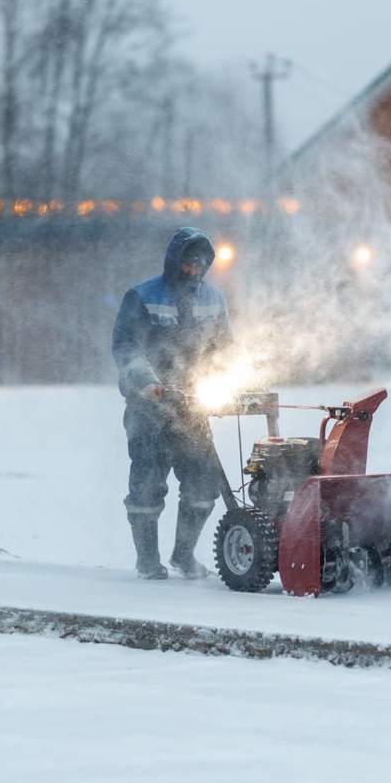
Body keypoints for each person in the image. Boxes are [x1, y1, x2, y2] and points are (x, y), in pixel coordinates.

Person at [111, 226, 233, 579]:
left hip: (193, 407)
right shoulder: (143, 296)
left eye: (199, 265)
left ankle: (183, 555)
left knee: (201, 486)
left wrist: (234, 378)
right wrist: (147, 383)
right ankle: (148, 561)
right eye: (187, 265)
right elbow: (126, 347)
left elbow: (223, 347)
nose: (193, 272)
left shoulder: (213, 299)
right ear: (174, 261)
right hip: (149, 407)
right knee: (148, 485)